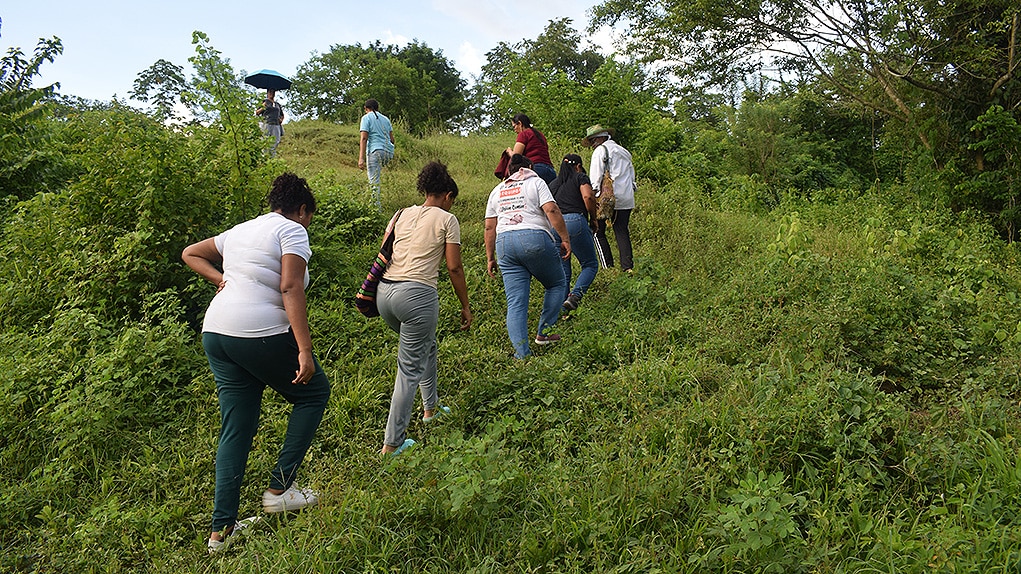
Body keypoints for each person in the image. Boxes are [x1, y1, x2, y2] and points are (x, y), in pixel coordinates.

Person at [182, 173, 330, 554]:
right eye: (308, 216)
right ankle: (281, 488)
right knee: (313, 393)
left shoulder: (240, 230)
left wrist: (221, 281)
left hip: (216, 332)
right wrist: (304, 350)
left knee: (237, 426)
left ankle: (221, 532)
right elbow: (289, 287)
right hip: (258, 331)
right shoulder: (293, 230)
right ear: (301, 209)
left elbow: (191, 253)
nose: (307, 223)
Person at [377, 162, 472, 456]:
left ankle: (430, 409)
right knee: (408, 368)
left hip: (385, 293)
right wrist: (466, 306)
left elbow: (384, 250)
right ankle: (392, 444)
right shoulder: (448, 219)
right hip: (417, 296)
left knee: (426, 347)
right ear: (446, 195)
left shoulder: (400, 213)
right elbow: (454, 267)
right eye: (451, 200)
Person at [485, 154, 571, 359]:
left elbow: (489, 226)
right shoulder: (536, 182)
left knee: (516, 302)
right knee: (557, 283)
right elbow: (551, 208)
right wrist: (565, 238)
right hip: (534, 238)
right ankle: (544, 333)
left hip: (504, 244)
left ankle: (521, 354)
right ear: (530, 167)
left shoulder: (497, 190)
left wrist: (490, 257)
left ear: (509, 172)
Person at [549, 154, 599, 311]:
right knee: (590, 264)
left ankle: (562, 311)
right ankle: (575, 296)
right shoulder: (580, 177)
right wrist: (593, 219)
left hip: (555, 226)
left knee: (563, 271)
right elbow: (588, 196)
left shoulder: (554, 184)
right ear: (578, 166)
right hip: (574, 221)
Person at [584, 125, 636, 273]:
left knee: (597, 230)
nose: (593, 144)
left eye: (593, 140)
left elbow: (595, 177)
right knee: (621, 230)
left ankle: (608, 267)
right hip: (626, 197)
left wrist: (594, 195)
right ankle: (627, 267)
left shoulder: (600, 151)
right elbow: (632, 176)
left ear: (601, 138)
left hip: (608, 198)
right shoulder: (624, 151)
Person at [359, 98, 396, 212]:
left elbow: (364, 138)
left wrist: (361, 158)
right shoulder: (386, 119)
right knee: (376, 176)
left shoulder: (366, 118)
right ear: (378, 108)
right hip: (388, 152)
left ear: (366, 109)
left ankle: (375, 210)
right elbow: (392, 139)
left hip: (375, 150)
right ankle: (374, 205)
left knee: (373, 181)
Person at [505, 113, 556, 184]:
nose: (515, 130)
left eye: (514, 127)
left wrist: (509, 151)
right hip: (550, 170)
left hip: (535, 169)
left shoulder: (524, 134)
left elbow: (516, 156)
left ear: (520, 123)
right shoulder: (540, 135)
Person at [255, 89, 285, 157]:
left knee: (275, 141)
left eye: (273, 92)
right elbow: (257, 112)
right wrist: (263, 106)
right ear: (267, 93)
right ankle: (264, 157)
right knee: (265, 140)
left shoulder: (277, 105)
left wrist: (281, 119)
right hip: (266, 124)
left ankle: (272, 157)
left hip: (276, 124)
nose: (272, 93)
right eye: (270, 92)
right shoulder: (265, 102)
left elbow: (282, 115)